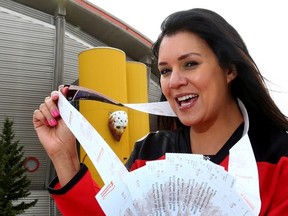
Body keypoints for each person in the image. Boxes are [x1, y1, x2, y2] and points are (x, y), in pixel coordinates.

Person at [33, 8, 288, 215]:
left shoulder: (279, 156)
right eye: (165, 70)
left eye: (190, 64)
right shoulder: (151, 152)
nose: (174, 81)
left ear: (230, 70)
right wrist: (64, 156)